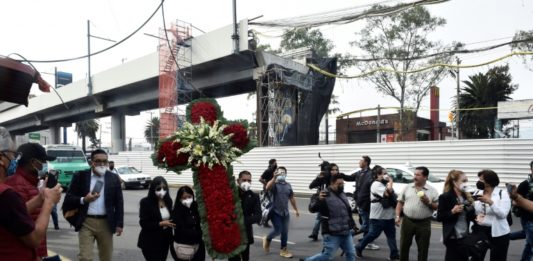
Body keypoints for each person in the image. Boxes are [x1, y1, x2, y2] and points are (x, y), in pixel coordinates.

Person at [0, 126, 62, 260]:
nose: (14, 160)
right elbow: (33, 239)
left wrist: (40, 197)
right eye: (11, 155)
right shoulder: (8, 192)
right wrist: (48, 202)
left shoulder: (12, 189)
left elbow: (14, 214)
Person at [63, 149, 124, 261]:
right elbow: (68, 198)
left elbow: (119, 202)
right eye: (98, 161)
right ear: (91, 162)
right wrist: (84, 199)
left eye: (105, 161)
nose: (102, 164)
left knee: (106, 257)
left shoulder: (113, 178)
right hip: (86, 222)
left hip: (106, 223)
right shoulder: (80, 176)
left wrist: (120, 223)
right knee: (85, 257)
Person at [301, 175, 356, 261]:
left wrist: (352, 224)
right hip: (332, 233)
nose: (342, 185)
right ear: (332, 184)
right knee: (327, 256)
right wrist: (319, 199)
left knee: (351, 254)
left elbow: (347, 211)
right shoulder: (323, 194)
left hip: (346, 232)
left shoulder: (342, 194)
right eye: (339, 184)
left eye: (342, 183)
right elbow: (312, 209)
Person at [395, 166, 438, 261]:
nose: (415, 176)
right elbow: (400, 202)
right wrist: (397, 216)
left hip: (424, 223)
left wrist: (428, 202)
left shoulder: (432, 191)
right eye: (414, 174)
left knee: (423, 248)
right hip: (407, 221)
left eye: (418, 175)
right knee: (404, 246)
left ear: (425, 177)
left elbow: (437, 207)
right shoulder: (407, 187)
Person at [355, 165, 399, 260]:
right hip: (378, 216)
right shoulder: (376, 184)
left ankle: (394, 254)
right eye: (384, 174)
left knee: (391, 236)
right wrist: (391, 182)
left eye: (386, 173)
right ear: (377, 175)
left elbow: (392, 196)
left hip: (389, 216)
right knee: (373, 234)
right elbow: (387, 193)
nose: (386, 175)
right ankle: (358, 247)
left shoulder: (384, 184)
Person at [471, 169, 511, 261]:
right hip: (480, 231)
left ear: (489, 182)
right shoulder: (478, 192)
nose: (479, 182)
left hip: (498, 232)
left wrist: (490, 202)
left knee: (498, 258)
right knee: (476, 257)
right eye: (479, 179)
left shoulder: (502, 194)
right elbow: (475, 212)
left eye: (481, 180)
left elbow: (503, 215)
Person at [437, 170, 475, 261]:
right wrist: (452, 212)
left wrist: (476, 214)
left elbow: (470, 215)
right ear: (454, 182)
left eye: (466, 181)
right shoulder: (445, 197)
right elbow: (439, 217)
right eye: (463, 181)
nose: (466, 183)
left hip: (465, 235)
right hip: (452, 236)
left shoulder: (467, 196)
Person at [263, 166, 300, 258]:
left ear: (286, 174)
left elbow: (291, 198)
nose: (281, 174)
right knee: (278, 229)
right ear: (275, 174)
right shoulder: (273, 184)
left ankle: (283, 250)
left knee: (285, 231)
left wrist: (296, 209)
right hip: (274, 212)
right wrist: (274, 178)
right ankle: (268, 238)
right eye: (279, 172)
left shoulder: (288, 185)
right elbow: (267, 187)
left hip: (285, 212)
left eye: (283, 172)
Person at [345, 155, 379, 250]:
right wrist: (339, 175)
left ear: (366, 163)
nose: (359, 162)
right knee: (366, 225)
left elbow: (370, 189)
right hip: (362, 203)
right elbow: (349, 178)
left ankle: (366, 240)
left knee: (367, 224)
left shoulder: (370, 173)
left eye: (361, 161)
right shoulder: (359, 173)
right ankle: (348, 236)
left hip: (366, 203)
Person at [137, 176, 175, 261]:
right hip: (150, 242)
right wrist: (160, 224)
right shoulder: (145, 202)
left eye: (164, 188)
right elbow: (143, 223)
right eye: (158, 189)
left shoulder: (168, 201)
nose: (162, 191)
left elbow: (172, 218)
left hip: (165, 241)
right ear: (153, 189)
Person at [228, 170, 261, 261]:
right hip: (231, 234)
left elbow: (258, 216)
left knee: (245, 257)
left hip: (245, 234)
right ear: (238, 181)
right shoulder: (230, 194)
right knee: (233, 258)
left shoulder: (254, 196)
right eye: (244, 180)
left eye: (249, 180)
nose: (247, 182)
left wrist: (241, 221)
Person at [170, 186, 205, 261]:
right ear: (179, 199)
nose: (187, 200)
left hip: (198, 245)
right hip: (183, 247)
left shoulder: (196, 206)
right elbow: (181, 230)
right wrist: (200, 233)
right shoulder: (176, 211)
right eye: (184, 198)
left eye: (189, 197)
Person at [509, 160, 533, 261]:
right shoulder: (525, 184)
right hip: (528, 219)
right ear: (531, 169)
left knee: (527, 238)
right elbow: (515, 202)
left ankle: (505, 236)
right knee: (531, 245)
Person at [259, 158, 277, 227]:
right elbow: (260, 179)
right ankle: (265, 220)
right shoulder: (268, 170)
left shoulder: (274, 171)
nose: (276, 164)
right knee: (271, 205)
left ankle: (266, 220)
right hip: (269, 190)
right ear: (271, 164)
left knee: (272, 205)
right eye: (275, 163)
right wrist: (266, 184)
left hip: (273, 189)